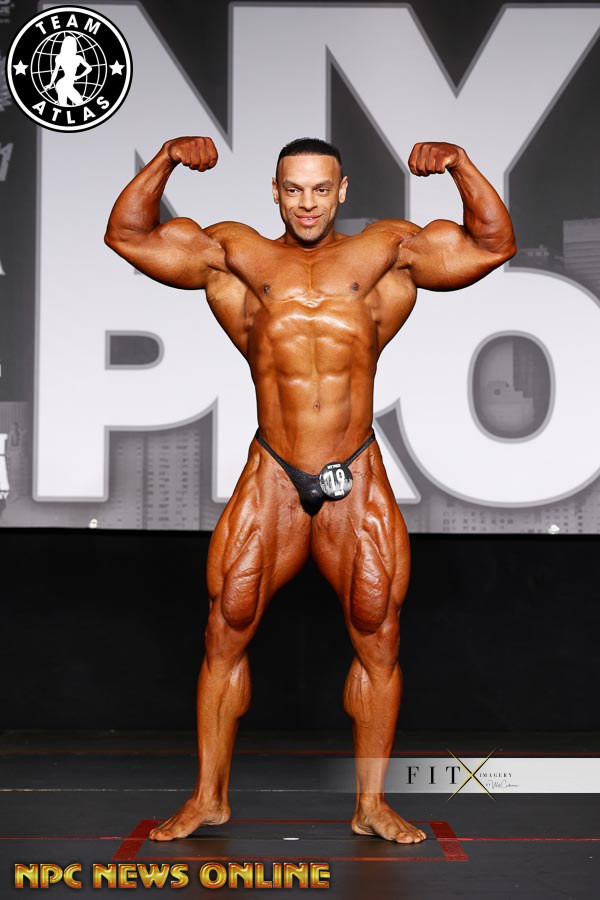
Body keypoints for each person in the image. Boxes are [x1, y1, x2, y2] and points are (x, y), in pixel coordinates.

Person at [104, 135, 516, 843]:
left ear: (342, 190)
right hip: (274, 470)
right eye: (293, 189)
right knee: (226, 626)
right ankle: (208, 797)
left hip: (353, 470)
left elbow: (492, 244)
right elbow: (128, 235)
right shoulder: (236, 255)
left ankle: (371, 804)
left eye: (321, 189)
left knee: (378, 631)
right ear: (275, 191)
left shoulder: (387, 252)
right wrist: (166, 158)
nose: (307, 204)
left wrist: (459, 164)